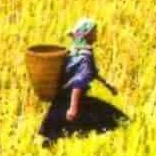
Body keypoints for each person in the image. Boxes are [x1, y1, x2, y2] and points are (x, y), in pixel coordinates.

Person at [38, 17, 127, 147]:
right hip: (74, 100)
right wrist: (73, 108)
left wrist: (107, 84)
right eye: (94, 31)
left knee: (54, 132)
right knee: (113, 119)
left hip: (60, 99)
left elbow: (91, 72)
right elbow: (78, 82)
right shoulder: (85, 56)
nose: (96, 34)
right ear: (87, 34)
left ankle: (51, 152)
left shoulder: (74, 51)